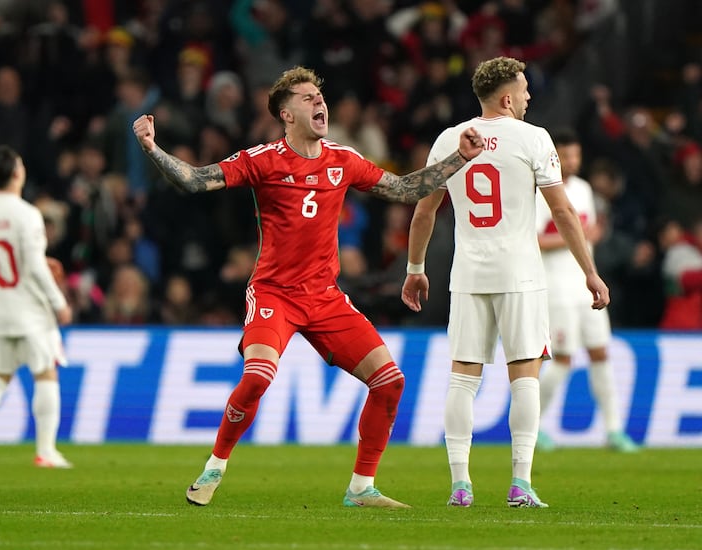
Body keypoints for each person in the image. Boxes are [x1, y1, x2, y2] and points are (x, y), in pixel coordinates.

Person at [132, 65, 484, 508]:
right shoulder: (263, 159)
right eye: (306, 97)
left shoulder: (344, 159)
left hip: (324, 297)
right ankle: (215, 466)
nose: (319, 102)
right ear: (286, 114)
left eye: (320, 95)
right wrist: (151, 147)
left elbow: (404, 189)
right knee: (258, 376)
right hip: (275, 293)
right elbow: (193, 179)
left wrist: (458, 159)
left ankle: (361, 488)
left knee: (390, 382)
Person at [401, 57, 609, 508]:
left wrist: (416, 269)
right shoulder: (534, 139)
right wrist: (589, 271)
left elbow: (423, 211)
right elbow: (563, 211)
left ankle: (460, 484)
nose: (530, 97)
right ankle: (520, 483)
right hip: (521, 275)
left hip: (468, 275)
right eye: (526, 89)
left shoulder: (448, 140)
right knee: (525, 375)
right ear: (508, 97)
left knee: (462, 377)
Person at [0, 145, 73, 468]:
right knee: (45, 373)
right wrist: (59, 302)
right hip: (28, 310)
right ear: (16, 173)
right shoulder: (27, 214)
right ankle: (46, 451)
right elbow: (35, 267)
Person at [534, 129, 638, 453]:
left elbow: (587, 236)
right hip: (557, 288)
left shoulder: (583, 189)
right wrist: (575, 235)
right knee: (563, 359)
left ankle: (613, 430)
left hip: (585, 286)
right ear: (554, 157)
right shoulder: (541, 193)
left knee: (600, 352)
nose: (572, 161)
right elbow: (534, 240)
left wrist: (590, 236)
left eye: (576, 155)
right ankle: (532, 426)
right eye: (565, 155)